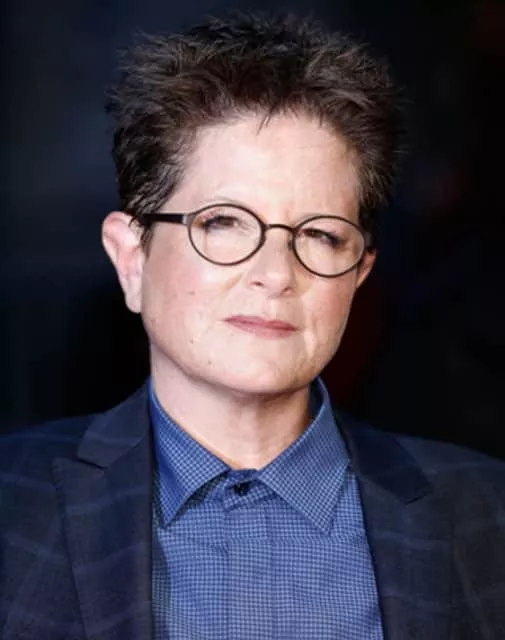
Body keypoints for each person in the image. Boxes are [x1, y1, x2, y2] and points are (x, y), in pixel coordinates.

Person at [1, 12, 505, 640]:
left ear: (359, 274)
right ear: (132, 259)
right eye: (223, 223)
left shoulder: (487, 520)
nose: (275, 274)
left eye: (320, 235)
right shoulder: (13, 506)